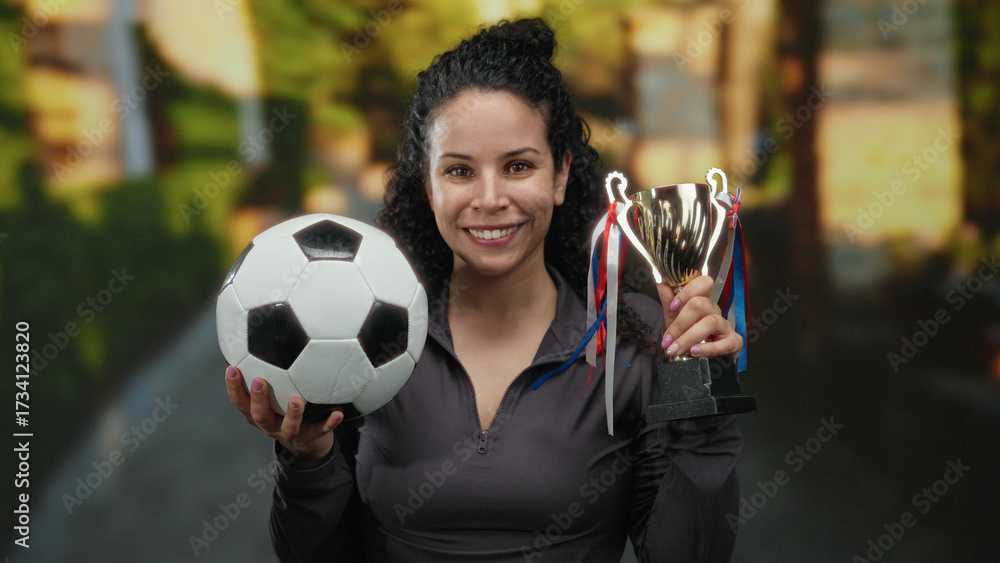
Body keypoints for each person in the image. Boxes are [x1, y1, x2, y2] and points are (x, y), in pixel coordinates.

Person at [224, 18, 744, 562]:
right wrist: (308, 459)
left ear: (561, 175)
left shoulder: (639, 339)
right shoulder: (361, 333)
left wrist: (700, 394)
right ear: (427, 185)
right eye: (459, 171)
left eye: (518, 166)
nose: (490, 198)